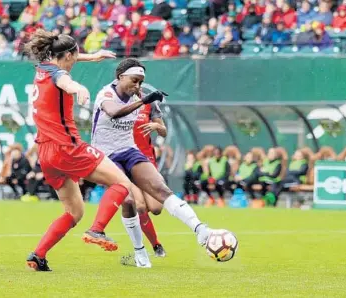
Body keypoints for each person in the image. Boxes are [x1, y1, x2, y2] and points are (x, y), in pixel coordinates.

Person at [23, 29, 151, 271]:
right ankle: (97, 229)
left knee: (74, 211)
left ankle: (38, 255)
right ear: (69, 55)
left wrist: (91, 57)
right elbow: (65, 80)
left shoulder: (43, 67)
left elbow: (63, 63)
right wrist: (78, 88)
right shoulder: (59, 75)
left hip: (46, 154)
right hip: (67, 148)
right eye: (77, 55)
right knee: (122, 184)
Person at [88, 58, 213, 264]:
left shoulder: (143, 98)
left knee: (160, 193)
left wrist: (152, 113)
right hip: (106, 155)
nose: (137, 86)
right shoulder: (106, 94)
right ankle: (141, 252)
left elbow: (161, 127)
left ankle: (199, 229)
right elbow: (114, 113)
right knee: (129, 201)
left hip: (130, 150)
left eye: (140, 82)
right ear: (120, 77)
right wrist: (144, 101)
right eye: (134, 80)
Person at [132, 89, 167, 257]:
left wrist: (157, 125)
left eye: (139, 81)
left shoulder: (150, 103)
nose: (136, 85)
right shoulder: (117, 101)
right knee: (139, 206)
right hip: (125, 161)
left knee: (156, 208)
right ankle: (154, 245)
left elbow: (164, 132)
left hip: (146, 161)